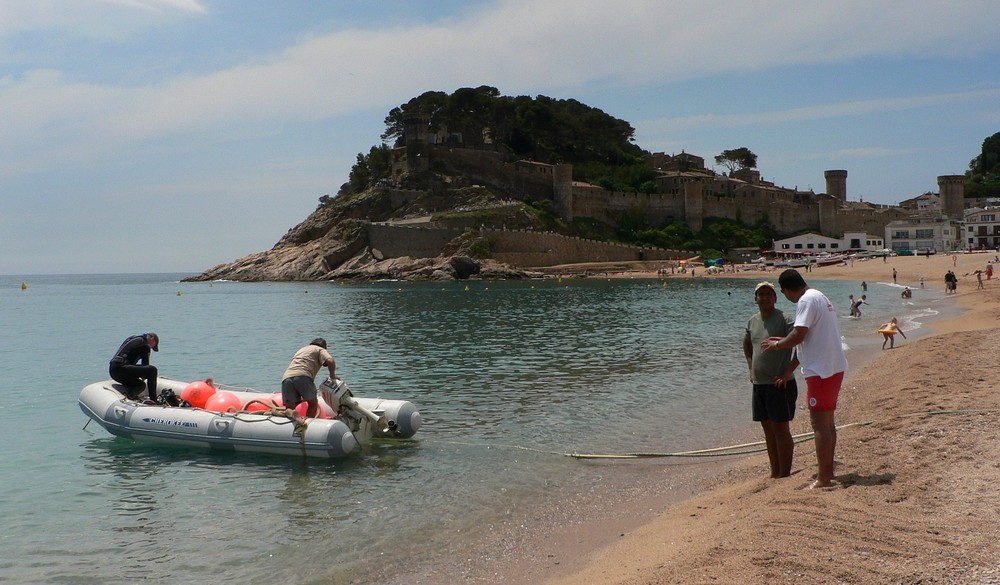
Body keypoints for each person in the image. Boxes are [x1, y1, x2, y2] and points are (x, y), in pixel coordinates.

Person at [763, 269, 848, 489]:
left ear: (786, 291)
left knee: (819, 424)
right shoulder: (820, 297)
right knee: (827, 423)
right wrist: (787, 353)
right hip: (833, 367)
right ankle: (827, 473)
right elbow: (809, 338)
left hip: (821, 371)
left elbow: (799, 334)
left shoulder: (805, 301)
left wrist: (777, 345)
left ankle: (824, 478)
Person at [742, 282, 799, 478]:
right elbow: (747, 343)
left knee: (781, 430)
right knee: (768, 430)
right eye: (761, 294)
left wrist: (787, 373)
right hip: (759, 385)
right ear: (755, 298)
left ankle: (785, 474)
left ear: (775, 298)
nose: (765, 297)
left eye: (769, 294)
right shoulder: (752, 321)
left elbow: (801, 345)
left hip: (780, 384)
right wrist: (751, 368)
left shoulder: (785, 319)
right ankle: (775, 472)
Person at [281, 338, 338, 437]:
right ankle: (307, 424)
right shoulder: (320, 349)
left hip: (287, 377)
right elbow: (330, 361)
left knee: (289, 408)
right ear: (324, 347)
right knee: (313, 403)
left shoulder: (302, 349)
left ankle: (294, 414)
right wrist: (332, 375)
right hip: (303, 376)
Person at [109, 332, 160, 401]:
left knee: (141, 385)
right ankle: (153, 400)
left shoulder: (133, 338)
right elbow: (146, 366)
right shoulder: (144, 344)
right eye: (153, 345)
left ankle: (129, 396)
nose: (151, 347)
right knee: (153, 370)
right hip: (121, 368)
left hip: (113, 371)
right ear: (152, 338)